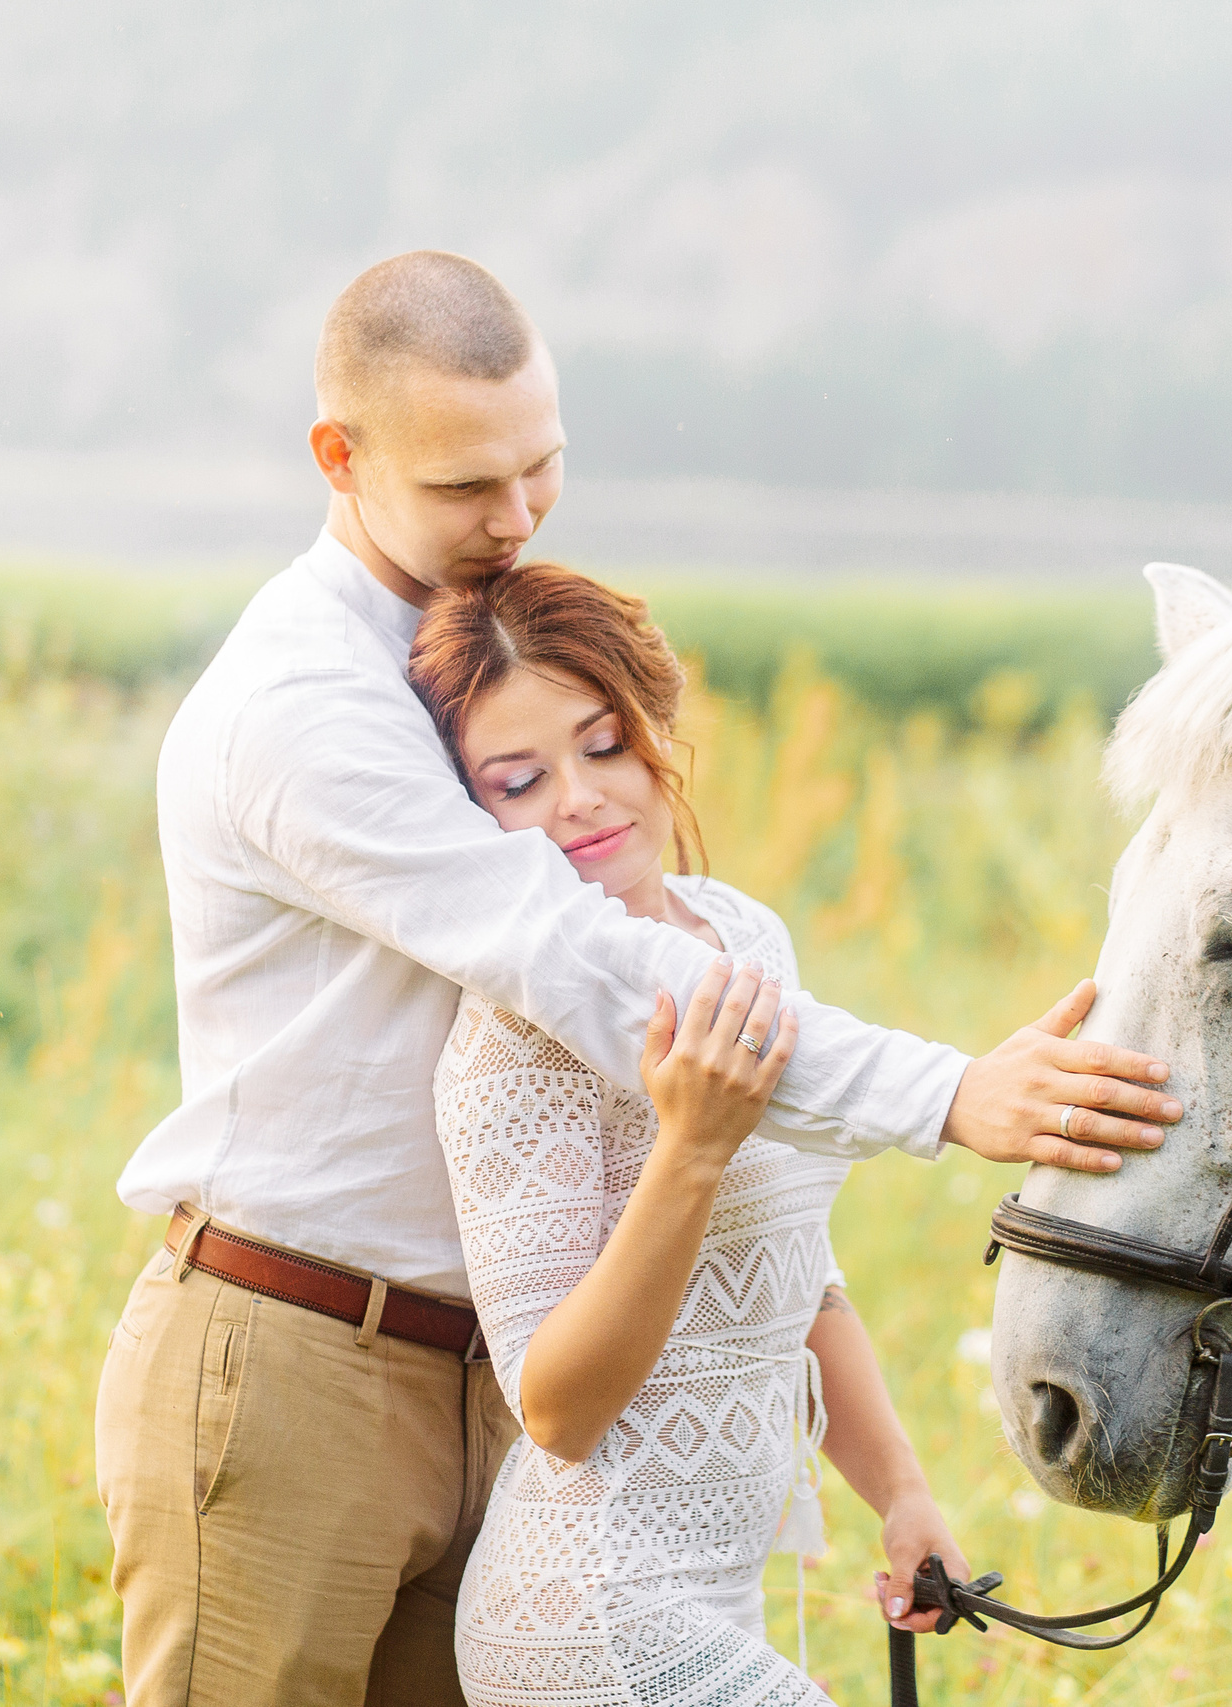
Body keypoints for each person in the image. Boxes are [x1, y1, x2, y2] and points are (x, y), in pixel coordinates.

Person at [93, 250, 1185, 1707]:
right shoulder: (308, 706)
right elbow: (579, 958)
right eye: (466, 488)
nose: (516, 517)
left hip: (498, 1381)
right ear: (337, 458)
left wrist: (894, 1475)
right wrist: (951, 1093)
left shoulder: (475, 662)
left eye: (542, 466)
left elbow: (754, 1193)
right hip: (297, 1359)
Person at [416, 562, 962, 1704]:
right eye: (519, 781)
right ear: (470, 819)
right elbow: (556, 1410)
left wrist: (901, 1494)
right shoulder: (515, 1033)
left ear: (658, 732)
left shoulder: (744, 938)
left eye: (606, 745)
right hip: (587, 1614)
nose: (579, 798)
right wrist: (689, 1149)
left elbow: (802, 1277)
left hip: (715, 1594)